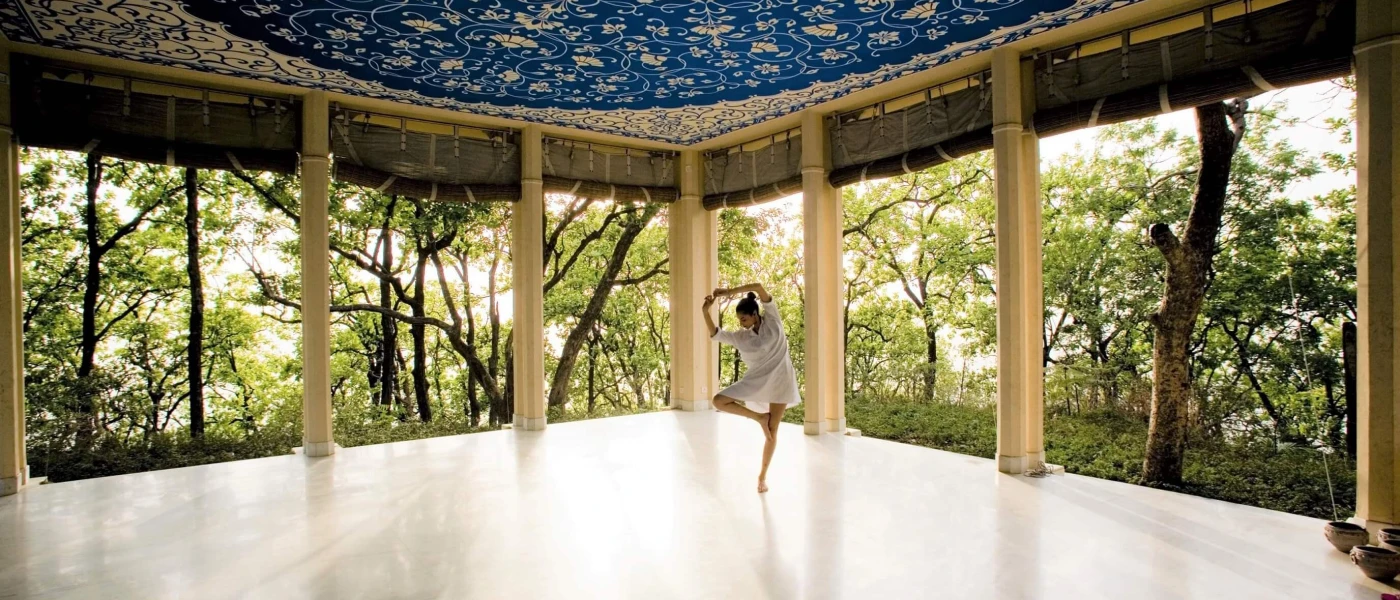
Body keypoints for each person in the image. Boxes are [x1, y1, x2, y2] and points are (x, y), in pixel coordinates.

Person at [703, 283, 802, 493]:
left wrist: (727, 293)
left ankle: (762, 477)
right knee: (718, 400)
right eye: (739, 320)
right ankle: (759, 418)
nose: (742, 323)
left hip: (781, 380)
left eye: (744, 319)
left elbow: (758, 286)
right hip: (756, 380)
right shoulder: (742, 336)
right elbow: (716, 334)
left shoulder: (773, 319)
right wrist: (705, 311)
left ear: (755, 314)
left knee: (772, 432)